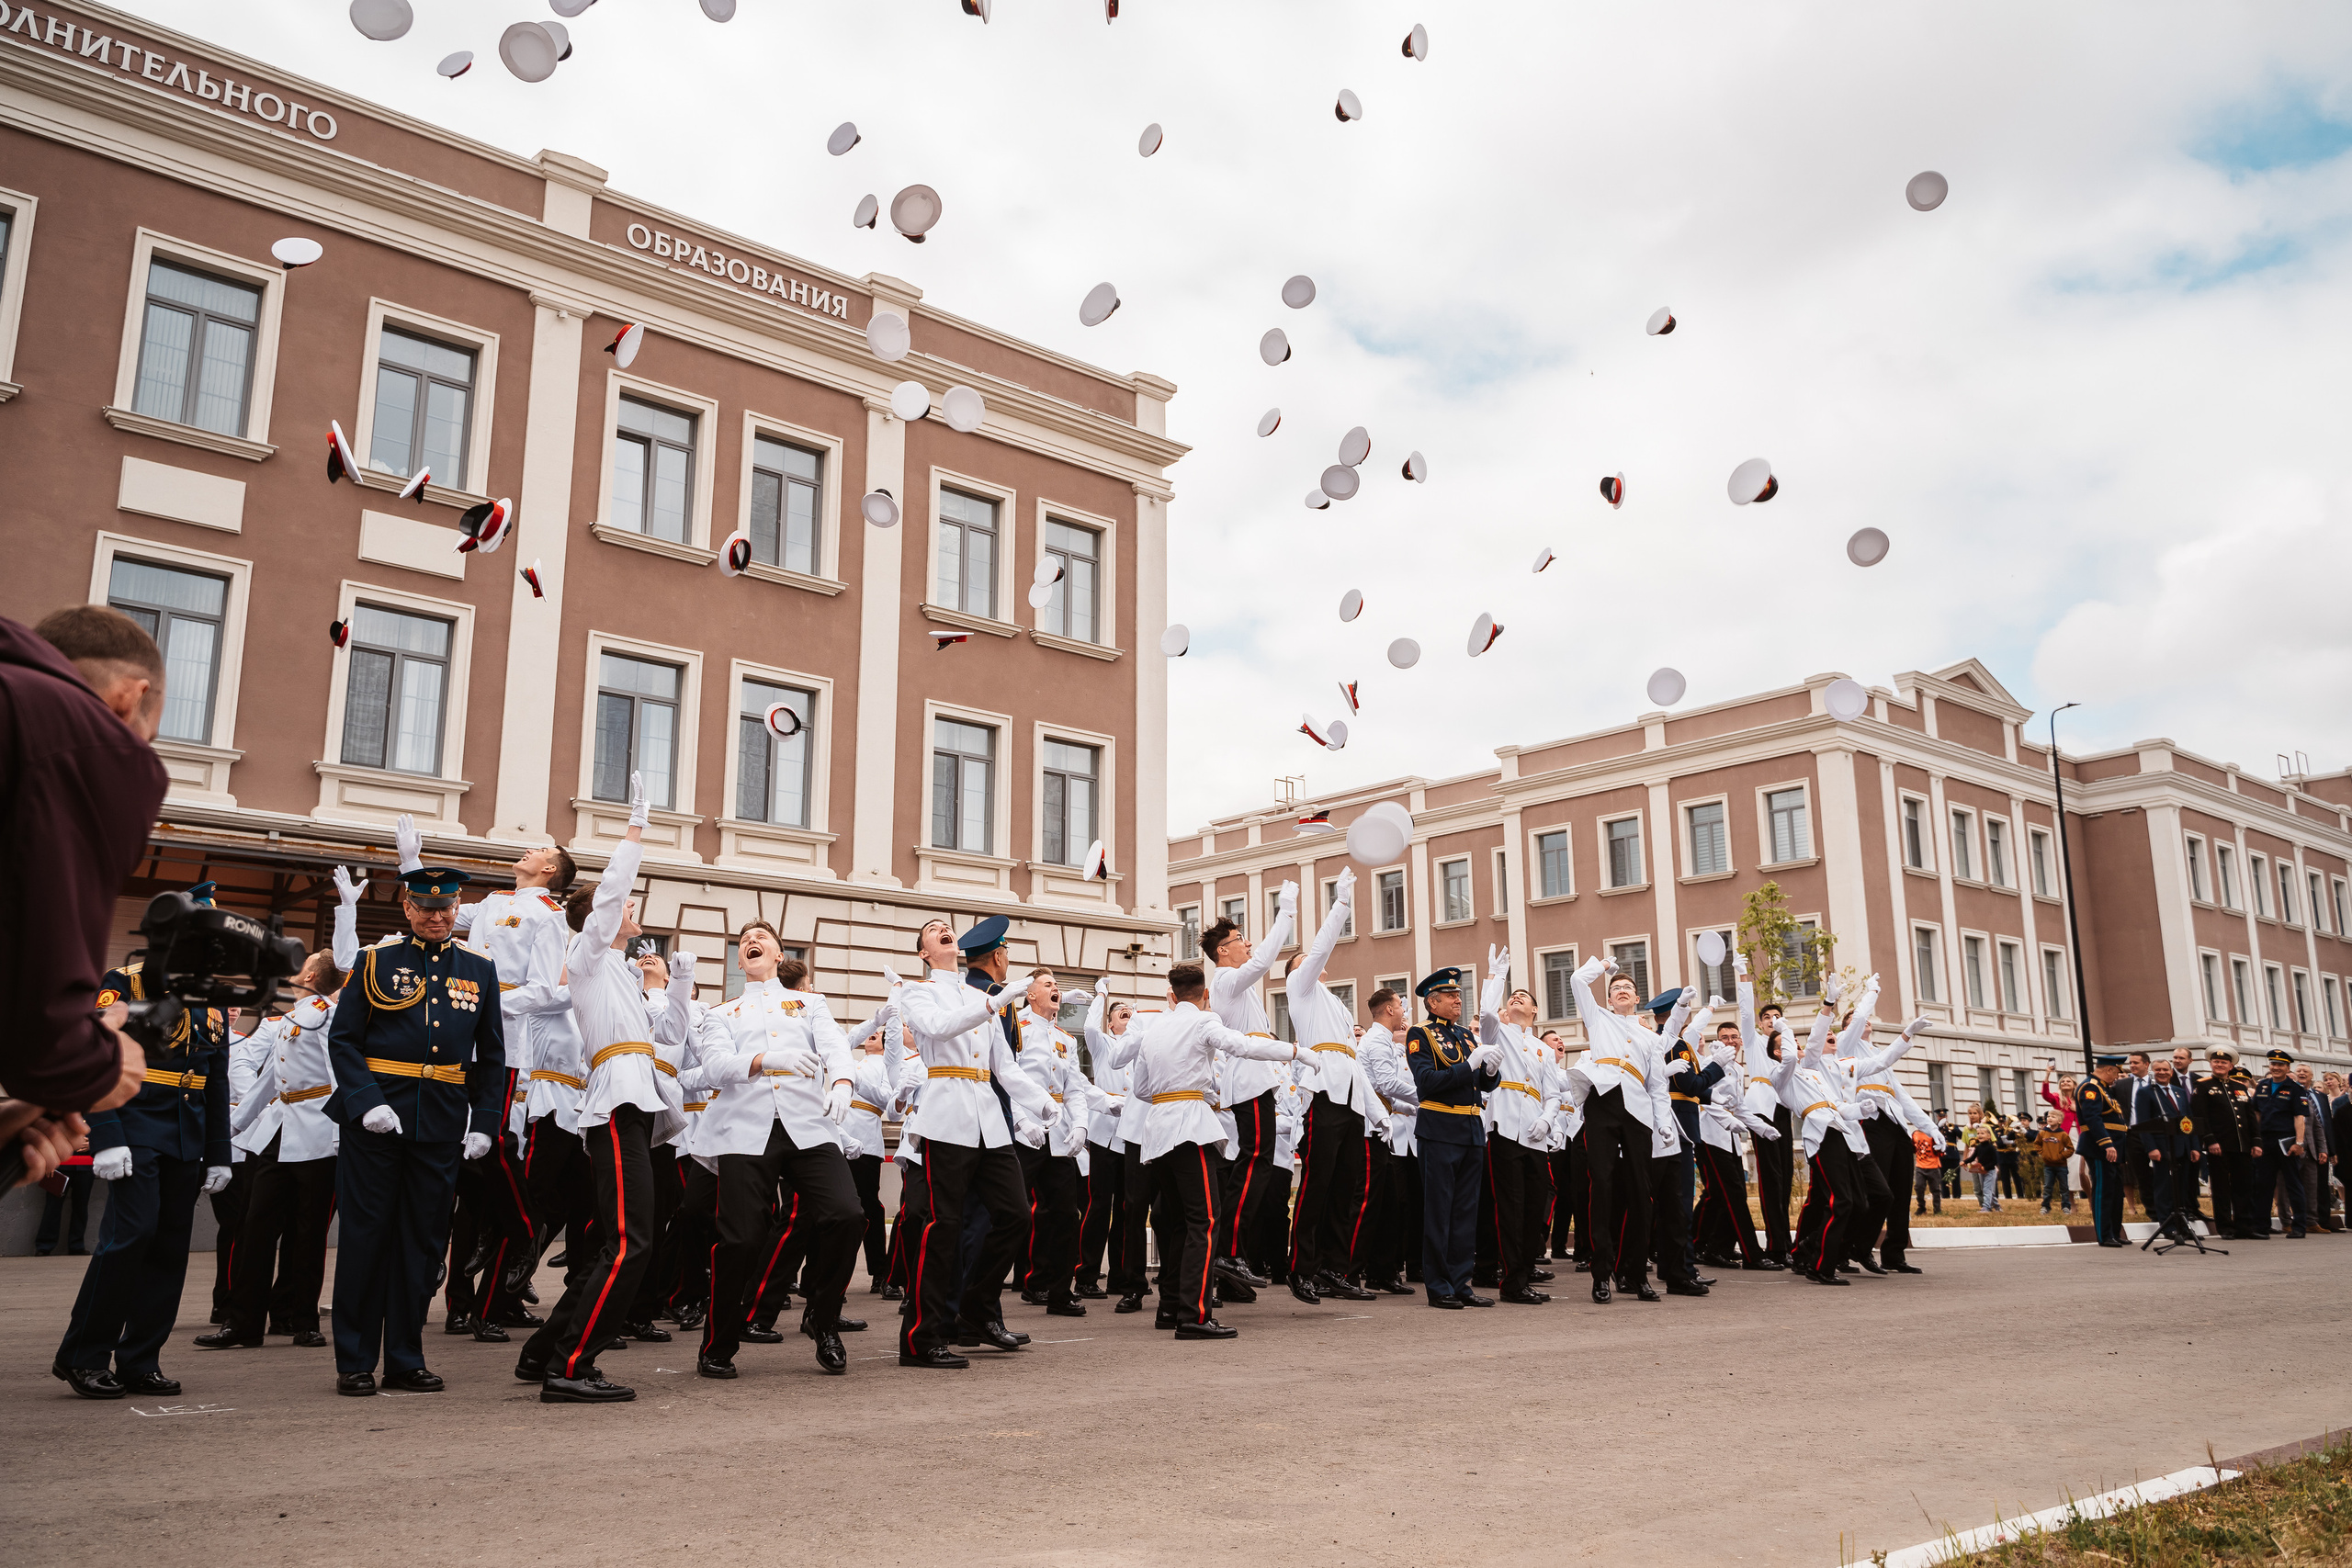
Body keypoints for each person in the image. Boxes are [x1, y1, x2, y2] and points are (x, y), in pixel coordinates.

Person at [322, 859, 506, 1397]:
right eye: (426, 908)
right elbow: (344, 1039)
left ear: (456, 907)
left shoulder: (479, 967)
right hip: (377, 1120)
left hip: (442, 1120)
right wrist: (365, 1102)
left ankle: (405, 1358)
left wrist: (485, 1121)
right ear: (407, 908)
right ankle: (356, 1360)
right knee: (366, 1238)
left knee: (422, 1243)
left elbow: (492, 1054)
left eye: (445, 907)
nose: (436, 916)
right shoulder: (375, 961)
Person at [2, 608, 168, 1188]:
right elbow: (46, 1032)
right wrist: (98, 1063)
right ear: (130, 697)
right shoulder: (78, 735)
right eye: (148, 736)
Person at [51, 880, 232, 1401]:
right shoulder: (125, 982)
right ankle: (83, 1355)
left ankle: (140, 1360)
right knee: (130, 1237)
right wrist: (106, 1135)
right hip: (134, 1127)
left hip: (186, 1136)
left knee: (170, 1248)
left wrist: (218, 1153)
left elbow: (215, 1080)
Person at [688, 919, 865, 1379]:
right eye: (744, 939)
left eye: (761, 937)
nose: (752, 941)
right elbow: (714, 1067)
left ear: (780, 954)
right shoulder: (722, 1013)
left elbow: (835, 1048)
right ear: (738, 958)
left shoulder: (810, 1003)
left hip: (808, 1124)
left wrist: (843, 1084)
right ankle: (718, 1342)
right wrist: (766, 1060)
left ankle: (822, 1318)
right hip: (746, 1129)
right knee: (740, 1239)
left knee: (847, 1215)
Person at [424, 818, 575, 1341]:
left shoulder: (550, 914)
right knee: (456, 1163)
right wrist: (412, 866)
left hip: (502, 1044)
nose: (529, 848)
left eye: (540, 849)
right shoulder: (491, 902)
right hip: (456, 1038)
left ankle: (519, 1233)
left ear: (550, 870)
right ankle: (459, 1284)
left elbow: (546, 990)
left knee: (491, 1154)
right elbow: (439, 913)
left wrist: (489, 1003)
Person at [890, 915, 1060, 1368]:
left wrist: (1041, 1103)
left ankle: (976, 1305)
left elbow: (1005, 1067)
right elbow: (940, 1027)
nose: (943, 929)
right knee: (942, 1228)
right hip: (946, 1114)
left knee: (1015, 1216)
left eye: (946, 926)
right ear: (925, 952)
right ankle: (921, 1339)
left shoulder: (978, 997)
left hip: (988, 1117)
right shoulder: (919, 992)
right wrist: (995, 1002)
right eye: (932, 930)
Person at [198, 904, 356, 1353]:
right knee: (254, 1229)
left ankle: (302, 1319)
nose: (297, 966)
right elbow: (269, 1081)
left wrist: (341, 1134)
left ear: (311, 976)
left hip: (319, 1134)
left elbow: (342, 1076)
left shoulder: (328, 1015)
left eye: (306, 963)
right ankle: (242, 1323)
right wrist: (230, 1129)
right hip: (276, 1132)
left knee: (308, 1233)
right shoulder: (291, 1017)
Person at [1124, 962, 1306, 1338]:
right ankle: (1195, 1314)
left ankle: (1171, 1306)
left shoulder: (1153, 1030)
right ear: (1205, 995)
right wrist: (1294, 1051)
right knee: (1204, 1220)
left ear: (1172, 994)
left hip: (1158, 1130)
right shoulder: (1205, 1021)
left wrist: (1176, 1092)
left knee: (1177, 1221)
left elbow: (1140, 1089)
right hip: (1190, 1127)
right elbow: (1244, 1045)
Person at [1283, 869, 1384, 1303]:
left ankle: (1333, 1268)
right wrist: (1341, 904)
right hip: (1323, 1094)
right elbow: (1322, 947)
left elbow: (1355, 1065)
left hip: (1351, 1099)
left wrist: (1377, 1114)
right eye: (1304, 959)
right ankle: (1301, 1268)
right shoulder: (1299, 987)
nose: (1313, 961)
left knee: (1345, 1189)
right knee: (1316, 1186)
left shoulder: (1338, 1007)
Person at [1564, 954, 1683, 1302]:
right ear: (1609, 997)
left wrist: (1663, 1123)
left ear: (1637, 998)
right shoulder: (1598, 1018)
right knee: (1601, 1185)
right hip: (1603, 1100)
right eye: (1616, 988)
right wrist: (1602, 967)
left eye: (1627, 987)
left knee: (1641, 1193)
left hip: (1637, 1108)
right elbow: (1577, 981)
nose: (1621, 990)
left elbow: (1657, 1086)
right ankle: (1601, 1274)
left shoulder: (1650, 1038)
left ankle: (1635, 1274)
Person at [1201, 887, 1296, 1297]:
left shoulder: (1235, 984)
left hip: (1257, 1073)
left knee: (1258, 1160)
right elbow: (1262, 962)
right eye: (1240, 939)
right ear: (1223, 951)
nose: (1247, 944)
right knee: (1255, 1159)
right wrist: (1285, 914)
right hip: (1248, 1075)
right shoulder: (1225, 979)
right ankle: (1229, 1249)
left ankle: (1232, 1249)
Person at [1406, 964, 1505, 1308]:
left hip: (1471, 1129)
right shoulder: (1420, 1034)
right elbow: (1426, 1082)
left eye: (1458, 994)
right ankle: (1438, 1286)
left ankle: (1461, 1283)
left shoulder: (1465, 1034)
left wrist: (1490, 1071)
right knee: (1439, 1211)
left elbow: (1482, 1084)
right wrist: (1470, 1065)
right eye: (1450, 995)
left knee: (1465, 1212)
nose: (1457, 999)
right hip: (1440, 1129)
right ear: (1432, 1002)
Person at [1004, 968, 1099, 1318]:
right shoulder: (1016, 1028)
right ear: (1030, 994)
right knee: (1010, 1212)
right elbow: (1006, 1077)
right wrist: (1021, 1120)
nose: (1056, 989)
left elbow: (1074, 1088)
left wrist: (1081, 1125)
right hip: (1024, 1133)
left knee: (1065, 1215)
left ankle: (1059, 1291)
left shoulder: (1066, 1039)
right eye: (1048, 984)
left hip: (1057, 1136)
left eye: (1057, 985)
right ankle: (982, 1292)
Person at [1475, 959, 1561, 1303]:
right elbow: (1486, 1013)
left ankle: (1524, 1274)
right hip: (1505, 1128)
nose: (1517, 997)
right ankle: (1512, 1281)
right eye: (1513, 995)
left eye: (1523, 996)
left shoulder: (1544, 1049)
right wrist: (1497, 977)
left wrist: (1548, 1119)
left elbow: (1553, 1094)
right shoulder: (1499, 1032)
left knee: (1533, 1209)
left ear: (1535, 1011)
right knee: (1509, 1209)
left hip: (1535, 1134)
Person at [1359, 987, 1422, 1292]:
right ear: (1389, 1010)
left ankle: (1381, 1272)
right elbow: (1386, 1084)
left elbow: (1384, 1093)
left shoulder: (1381, 1040)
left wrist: (1411, 1106)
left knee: (1388, 1206)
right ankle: (1351, 1271)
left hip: (1380, 1125)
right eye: (1400, 1006)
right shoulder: (1377, 1040)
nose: (1403, 1011)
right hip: (1371, 1129)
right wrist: (1427, 1095)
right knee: (1372, 1204)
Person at [1073, 995, 1130, 1299]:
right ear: (1110, 1023)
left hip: (1131, 1135)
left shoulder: (1139, 1047)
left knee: (1126, 1209)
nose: (1127, 1014)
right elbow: (1089, 1028)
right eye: (1120, 1012)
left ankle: (1121, 1277)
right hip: (1105, 1133)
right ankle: (1086, 1276)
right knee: (1098, 1207)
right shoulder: (1103, 1043)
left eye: (1130, 1011)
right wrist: (1101, 997)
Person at [1742, 996, 1796, 1267]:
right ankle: (1776, 1246)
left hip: (1782, 1109)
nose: (1772, 1021)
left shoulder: (1786, 1047)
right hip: (1762, 1110)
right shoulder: (1754, 1042)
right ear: (1761, 1024)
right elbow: (1744, 1014)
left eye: (1777, 1016)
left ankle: (1784, 1243)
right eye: (1767, 1017)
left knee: (1785, 1177)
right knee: (1771, 1179)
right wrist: (1743, 978)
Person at [2189, 1048, 2263, 1239]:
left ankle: (2244, 1227)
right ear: (2211, 1064)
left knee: (2244, 1186)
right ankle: (2225, 1227)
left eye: (2223, 1063)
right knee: (2221, 1188)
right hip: (2219, 1145)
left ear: (2231, 1066)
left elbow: (2249, 1117)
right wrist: (2210, 1140)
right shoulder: (2203, 1086)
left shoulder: (2240, 1086)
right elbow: (2200, 1116)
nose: (2219, 1065)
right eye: (2216, 1062)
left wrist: (2256, 1141)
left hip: (2242, 1144)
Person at [2249, 1050, 2313, 1239]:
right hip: (2265, 1141)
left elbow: (2299, 1117)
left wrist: (2299, 1142)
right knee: (2263, 1184)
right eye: (2273, 1064)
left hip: (2286, 1141)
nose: (2276, 1068)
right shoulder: (2262, 1086)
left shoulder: (2295, 1088)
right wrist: (2255, 1139)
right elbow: (2257, 1113)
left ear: (2287, 1067)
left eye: (2280, 1065)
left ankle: (2299, 1227)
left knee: (2293, 1184)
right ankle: (2261, 1226)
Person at [2133, 1056, 2198, 1235]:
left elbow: (2188, 1121)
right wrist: (2151, 1148)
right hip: (2162, 1148)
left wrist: (2194, 1146)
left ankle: (2183, 1226)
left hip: (2183, 1147)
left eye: (2165, 1070)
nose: (2162, 1073)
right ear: (2152, 1072)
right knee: (2165, 1188)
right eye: (2158, 1070)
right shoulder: (2146, 1092)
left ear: (2171, 1072)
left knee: (2182, 1188)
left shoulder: (2179, 1091)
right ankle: (2168, 1227)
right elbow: (2143, 1123)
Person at [2075, 1056, 2132, 1246]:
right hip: (2100, 1147)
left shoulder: (2103, 1088)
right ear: (2108, 1070)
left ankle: (2114, 1232)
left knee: (2115, 1192)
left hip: (2114, 1147)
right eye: (2116, 1073)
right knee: (2103, 1191)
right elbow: (2092, 1118)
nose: (2116, 1077)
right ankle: (2104, 1234)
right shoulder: (2090, 1087)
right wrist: (2106, 1144)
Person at [2290, 1065, 2334, 1234]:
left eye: (2305, 1072)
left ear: (2311, 1076)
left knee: (2315, 1186)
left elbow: (2321, 1125)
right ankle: (2289, 1220)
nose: (2301, 1074)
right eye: (2299, 1071)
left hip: (2314, 1148)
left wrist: (2326, 1149)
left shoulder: (2320, 1096)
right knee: (2291, 1187)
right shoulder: (2290, 1094)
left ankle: (2315, 1221)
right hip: (2293, 1147)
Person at [2036, 1113, 2075, 1214]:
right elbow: (2037, 1144)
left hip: (2061, 1166)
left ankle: (2066, 1206)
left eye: (2053, 1117)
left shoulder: (2063, 1134)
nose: (2049, 1118)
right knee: (2047, 1187)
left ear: (2059, 1121)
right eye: (2048, 1116)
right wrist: (2043, 1153)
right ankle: (2045, 1206)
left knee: (2064, 1187)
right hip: (2048, 1166)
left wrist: (2061, 1156)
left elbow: (2070, 1149)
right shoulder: (2043, 1133)